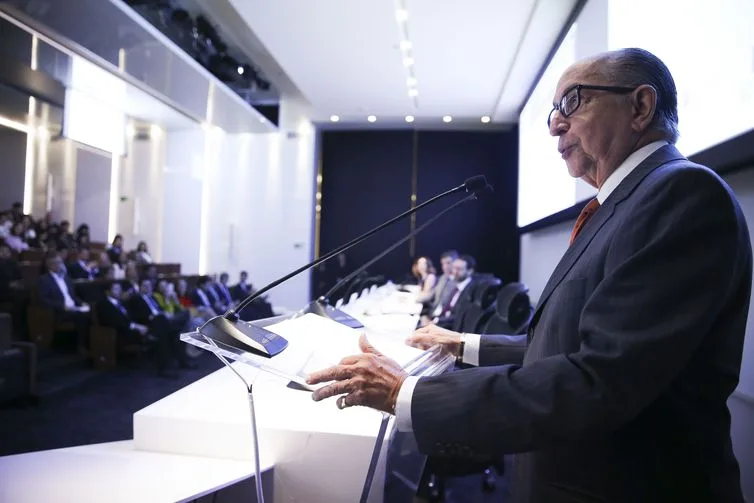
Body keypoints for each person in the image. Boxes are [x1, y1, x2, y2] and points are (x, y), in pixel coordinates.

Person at [306, 48, 751, 502]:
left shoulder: (682, 194)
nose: (557, 124)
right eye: (553, 111)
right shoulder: (622, 206)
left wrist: (409, 394)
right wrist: (463, 344)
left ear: (640, 106)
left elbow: (601, 378)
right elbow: (574, 347)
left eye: (572, 102)